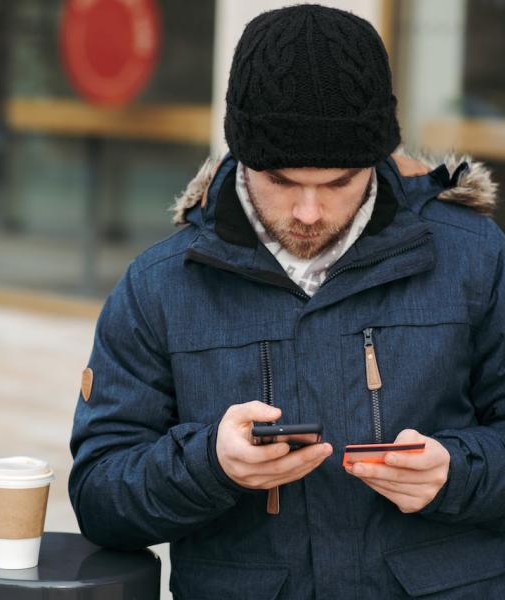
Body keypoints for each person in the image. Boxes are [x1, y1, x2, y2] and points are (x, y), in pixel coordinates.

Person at [68, 4, 505, 599]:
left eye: (337, 183)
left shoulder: (476, 256)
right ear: (241, 155)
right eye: (280, 181)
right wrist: (208, 466)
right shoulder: (160, 284)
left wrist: (458, 475)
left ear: (376, 162)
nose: (308, 212)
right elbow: (100, 496)